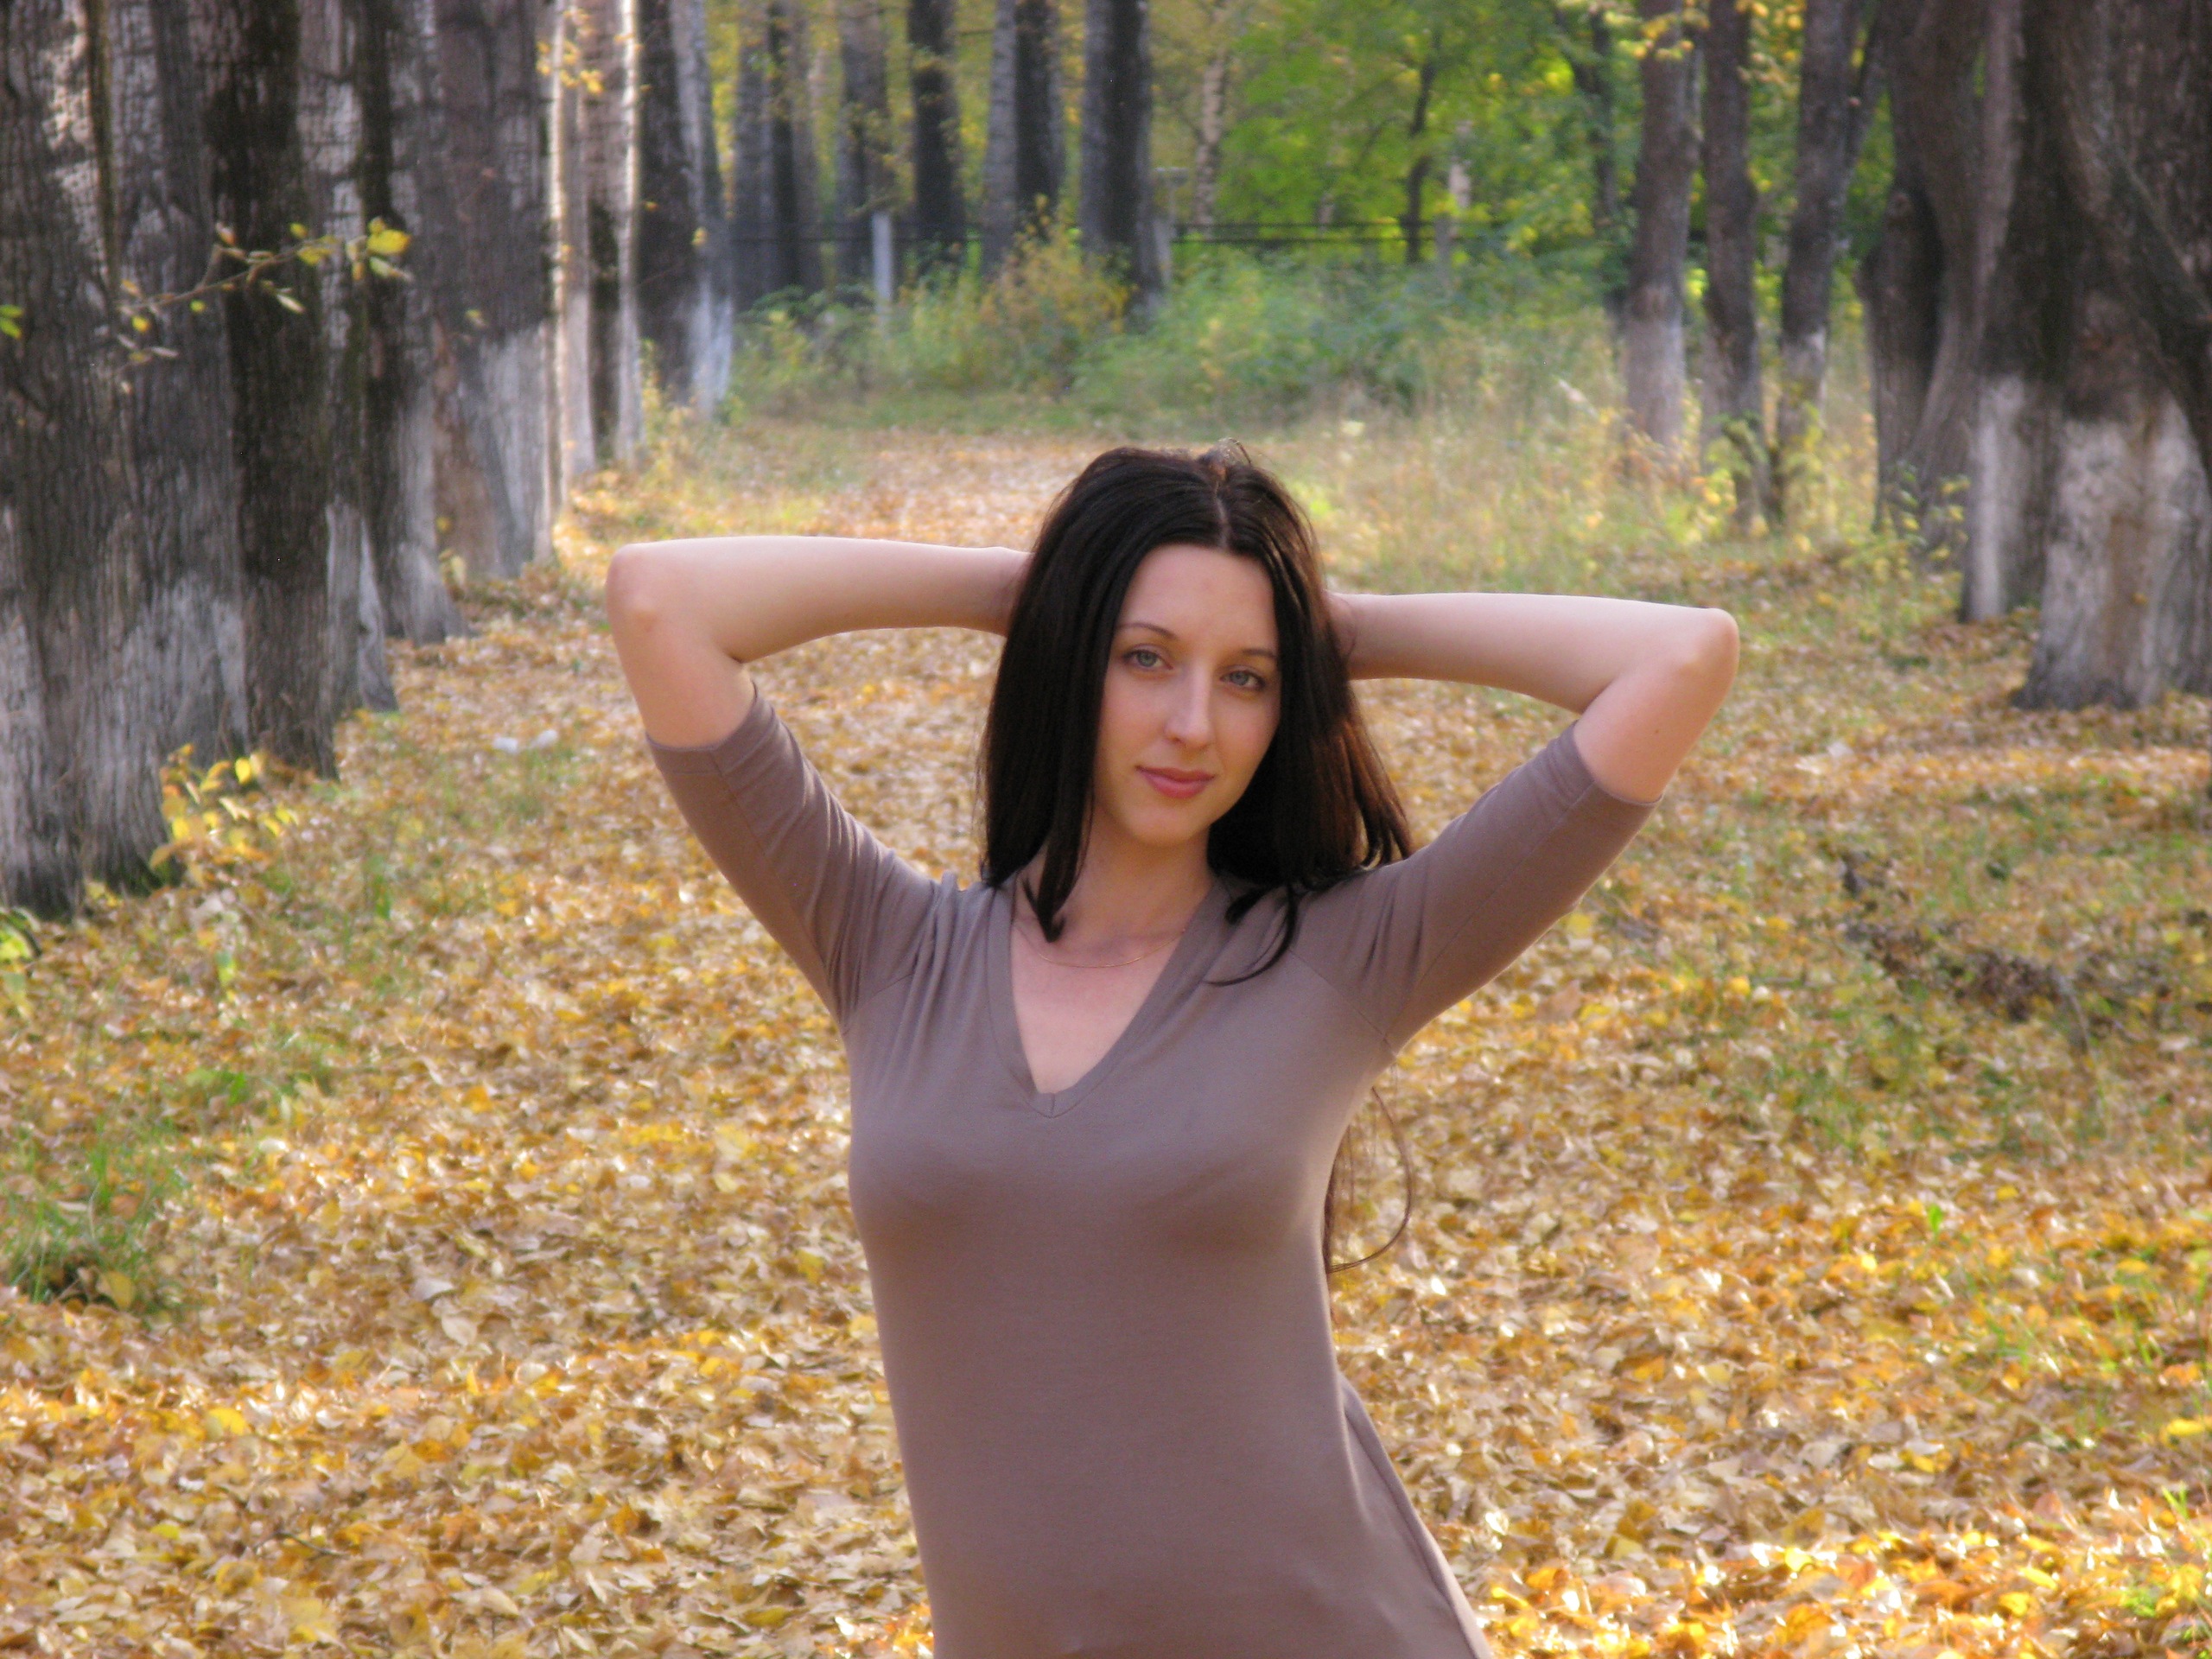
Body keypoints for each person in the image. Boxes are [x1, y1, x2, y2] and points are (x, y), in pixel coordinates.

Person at [604, 442, 1738, 1659]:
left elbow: (1680, 658)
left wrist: (1332, 630)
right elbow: (661, 601)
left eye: (1247, 680)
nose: (1194, 725)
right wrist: (1035, 593)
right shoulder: (887, 948)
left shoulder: (1348, 957)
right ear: (1070, 658)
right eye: (1144, 659)